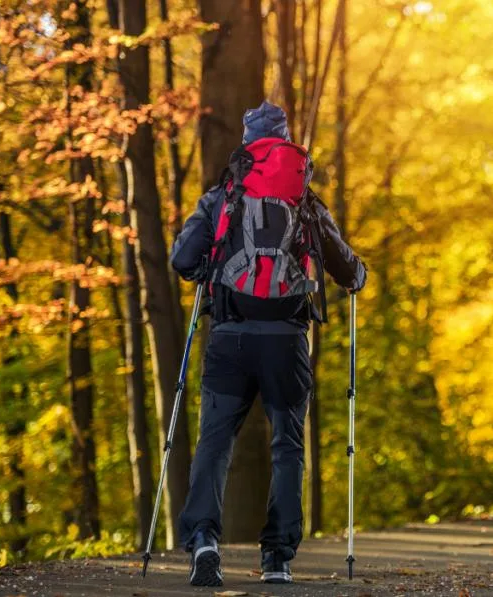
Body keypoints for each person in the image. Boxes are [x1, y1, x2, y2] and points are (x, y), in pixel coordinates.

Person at [170, 101, 366, 586]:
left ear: (247, 142)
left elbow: (182, 258)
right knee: (287, 447)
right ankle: (276, 558)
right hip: (287, 340)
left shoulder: (221, 197)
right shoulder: (304, 198)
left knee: (215, 443)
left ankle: (205, 541)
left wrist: (206, 270)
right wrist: (358, 274)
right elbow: (344, 267)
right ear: (285, 142)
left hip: (230, 336)